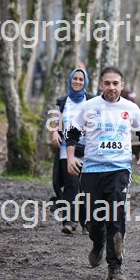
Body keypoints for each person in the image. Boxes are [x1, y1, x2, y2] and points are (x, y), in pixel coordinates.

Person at [66, 66, 140, 280]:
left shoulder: (130, 108)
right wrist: (70, 158)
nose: (111, 87)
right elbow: (73, 133)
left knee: (116, 218)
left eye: (115, 83)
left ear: (122, 85)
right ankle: (98, 243)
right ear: (100, 85)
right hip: (92, 170)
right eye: (107, 83)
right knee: (93, 221)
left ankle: (115, 268)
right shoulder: (89, 106)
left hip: (119, 169)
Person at [50, 68, 95, 235]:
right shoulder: (62, 101)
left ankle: (87, 223)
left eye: (81, 79)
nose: (77, 81)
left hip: (88, 149)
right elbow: (56, 122)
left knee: (87, 186)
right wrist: (55, 132)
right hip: (66, 149)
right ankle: (69, 221)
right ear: (70, 81)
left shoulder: (91, 100)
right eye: (75, 78)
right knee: (71, 185)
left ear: (85, 82)